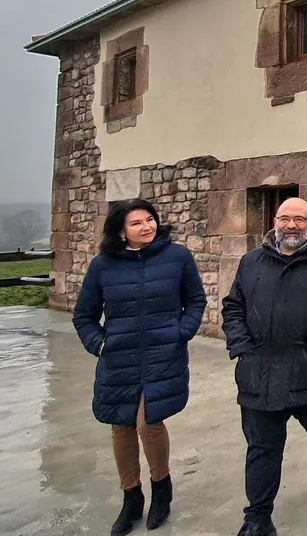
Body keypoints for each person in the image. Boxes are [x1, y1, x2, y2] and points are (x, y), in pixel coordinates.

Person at [221, 197, 307, 536]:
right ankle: (258, 517)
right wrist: (241, 347)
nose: (291, 225)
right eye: (284, 218)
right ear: (275, 222)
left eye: (299, 219)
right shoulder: (251, 261)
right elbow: (233, 306)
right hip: (259, 373)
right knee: (262, 448)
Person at [72, 199, 207, 536]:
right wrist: (100, 344)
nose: (146, 226)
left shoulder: (177, 257)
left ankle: (161, 488)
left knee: (149, 422)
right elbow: (84, 315)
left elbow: (195, 300)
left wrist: (181, 333)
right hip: (119, 358)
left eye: (150, 219)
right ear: (121, 231)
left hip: (163, 353)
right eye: (136, 223)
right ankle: (131, 497)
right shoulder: (103, 266)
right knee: (121, 425)